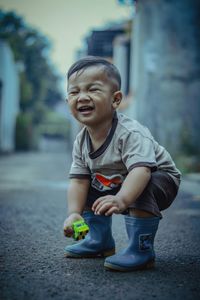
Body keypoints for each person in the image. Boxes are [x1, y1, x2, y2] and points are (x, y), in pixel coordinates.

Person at [63, 56, 181, 272]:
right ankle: (97, 240)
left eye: (93, 89)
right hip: (119, 182)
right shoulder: (81, 141)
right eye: (74, 92)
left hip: (159, 180)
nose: (82, 97)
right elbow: (79, 182)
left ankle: (141, 249)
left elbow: (141, 170)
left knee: (145, 183)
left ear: (115, 99)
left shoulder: (130, 133)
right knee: (90, 185)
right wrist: (74, 214)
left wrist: (122, 199)